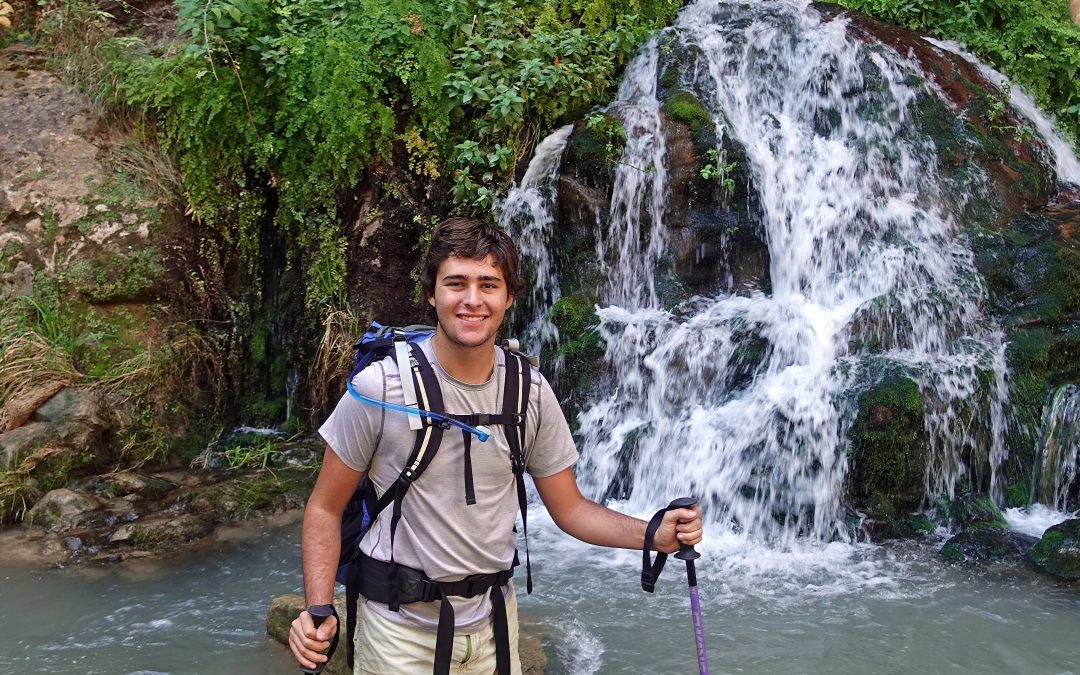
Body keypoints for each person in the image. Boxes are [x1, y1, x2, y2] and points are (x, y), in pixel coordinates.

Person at [289, 217, 703, 674]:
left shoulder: (530, 391)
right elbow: (325, 508)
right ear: (432, 293)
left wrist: (653, 534)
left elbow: (571, 510)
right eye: (456, 283)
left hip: (493, 629)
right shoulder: (380, 388)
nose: (472, 299)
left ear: (508, 298)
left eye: (488, 284)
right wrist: (318, 608)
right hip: (399, 634)